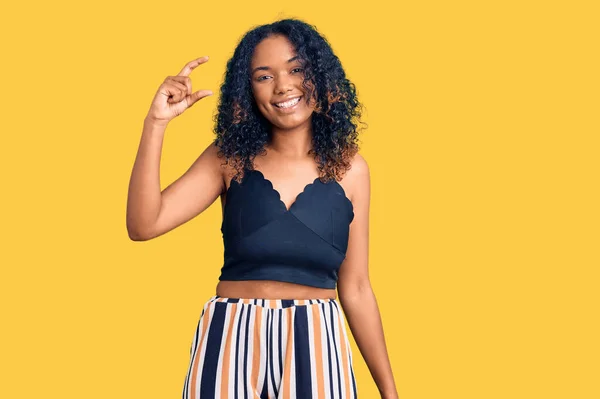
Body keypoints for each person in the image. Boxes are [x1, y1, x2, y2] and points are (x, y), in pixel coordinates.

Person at [126, 18, 398, 399]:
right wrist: (155, 124)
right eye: (263, 76)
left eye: (296, 69)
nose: (284, 86)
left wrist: (389, 391)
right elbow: (143, 224)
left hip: (317, 340)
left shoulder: (351, 170)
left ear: (319, 75)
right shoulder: (228, 159)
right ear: (248, 90)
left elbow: (355, 287)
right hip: (230, 336)